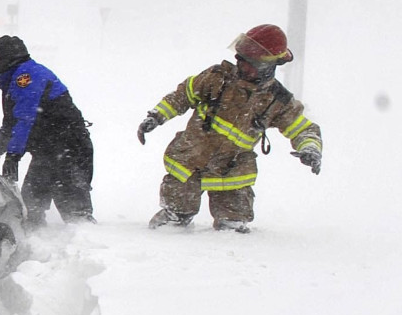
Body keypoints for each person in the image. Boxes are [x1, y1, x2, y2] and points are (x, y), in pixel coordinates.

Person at [136, 23, 322, 233]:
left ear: (269, 66)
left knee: (233, 229)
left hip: (232, 170)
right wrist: (156, 116)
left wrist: (310, 148)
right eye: (240, 58)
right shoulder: (217, 77)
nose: (241, 65)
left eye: (250, 62)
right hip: (191, 159)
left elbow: (302, 128)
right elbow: (183, 95)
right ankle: (176, 218)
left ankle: (230, 243)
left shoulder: (277, 101)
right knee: (174, 218)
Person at [0, 35, 95, 227]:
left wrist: (13, 156)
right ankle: (40, 246)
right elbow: (9, 126)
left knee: (75, 212)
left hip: (68, 150)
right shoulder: (16, 80)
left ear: (3, 60)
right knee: (31, 205)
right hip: (51, 152)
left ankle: (88, 250)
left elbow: (25, 119)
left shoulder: (26, 78)